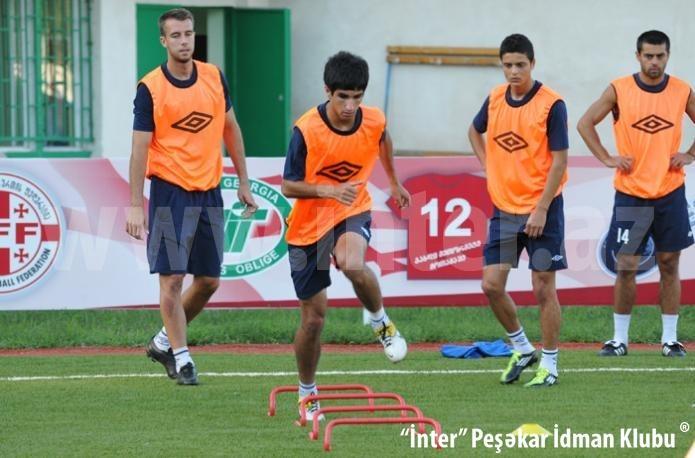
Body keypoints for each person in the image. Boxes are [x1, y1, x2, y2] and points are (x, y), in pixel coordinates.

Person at [126, 8, 257, 385]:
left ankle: (163, 342)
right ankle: (183, 359)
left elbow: (231, 128)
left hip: (210, 192)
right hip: (170, 193)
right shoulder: (150, 88)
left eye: (188, 34)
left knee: (210, 281)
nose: (184, 41)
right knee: (171, 280)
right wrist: (135, 204)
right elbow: (139, 148)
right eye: (176, 35)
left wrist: (244, 181)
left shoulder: (214, 76)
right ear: (163, 41)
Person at [281, 51, 410, 419]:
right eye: (343, 97)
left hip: (352, 208)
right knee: (313, 320)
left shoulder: (374, 119)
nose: (350, 106)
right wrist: (329, 190)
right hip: (308, 225)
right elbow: (288, 185)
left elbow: (383, 139)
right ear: (327, 91)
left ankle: (380, 321)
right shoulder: (306, 129)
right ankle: (307, 392)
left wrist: (394, 181)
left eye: (357, 97)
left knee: (353, 263)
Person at [577, 30, 694, 358]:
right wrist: (606, 158)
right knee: (626, 265)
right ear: (638, 56)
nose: (654, 62)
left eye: (660, 56)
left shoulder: (682, 90)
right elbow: (585, 123)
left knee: (669, 264)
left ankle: (670, 340)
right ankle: (619, 340)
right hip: (631, 193)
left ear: (668, 56)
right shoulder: (619, 89)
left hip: (670, 190)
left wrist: (690, 154)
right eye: (648, 56)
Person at [468, 34, 569, 387]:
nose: (514, 71)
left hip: (543, 209)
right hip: (505, 209)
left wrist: (541, 209)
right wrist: (489, 167)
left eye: (520, 65)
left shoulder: (551, 104)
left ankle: (550, 364)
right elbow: (474, 131)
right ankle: (523, 348)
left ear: (532, 64)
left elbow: (560, 161)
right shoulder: (495, 98)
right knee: (491, 285)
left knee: (543, 288)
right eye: (508, 65)